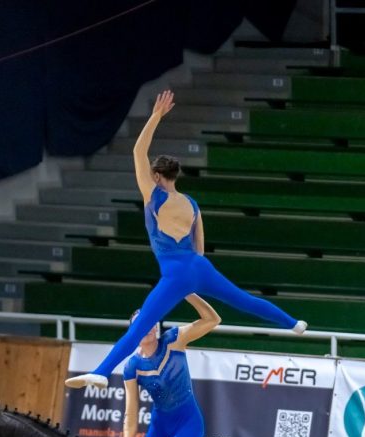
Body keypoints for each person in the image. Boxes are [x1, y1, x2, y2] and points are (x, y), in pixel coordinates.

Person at [66, 89, 306, 390]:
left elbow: (137, 152)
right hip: (199, 267)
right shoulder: (192, 204)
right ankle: (293, 323)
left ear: (156, 176)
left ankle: (101, 371)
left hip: (175, 272)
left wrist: (155, 116)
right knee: (245, 301)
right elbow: (200, 248)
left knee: (139, 327)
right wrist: (196, 280)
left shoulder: (153, 196)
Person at [119, 293, 220, 437]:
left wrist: (187, 292)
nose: (146, 327)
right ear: (133, 331)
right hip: (160, 425)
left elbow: (213, 320)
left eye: (150, 321)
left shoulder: (175, 340)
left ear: (156, 325)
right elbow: (130, 413)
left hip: (188, 423)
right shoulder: (132, 367)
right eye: (140, 324)